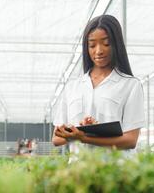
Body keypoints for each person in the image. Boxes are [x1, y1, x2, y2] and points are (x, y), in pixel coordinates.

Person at [52, 14, 145, 152]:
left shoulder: (130, 85)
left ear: (116, 44)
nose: (99, 51)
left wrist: (84, 136)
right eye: (92, 45)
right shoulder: (72, 87)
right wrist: (79, 129)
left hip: (115, 171)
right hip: (79, 170)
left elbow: (130, 140)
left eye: (106, 43)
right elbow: (56, 139)